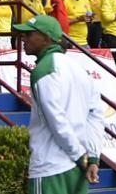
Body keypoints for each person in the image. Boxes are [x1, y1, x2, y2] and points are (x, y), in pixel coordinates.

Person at [14, 15, 105, 194]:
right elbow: (95, 115)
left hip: (51, 165)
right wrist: (92, 157)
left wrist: (80, 156)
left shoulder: (42, 70)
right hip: (78, 168)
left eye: (30, 34)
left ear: (46, 39)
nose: (23, 38)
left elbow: (56, 121)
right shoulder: (80, 69)